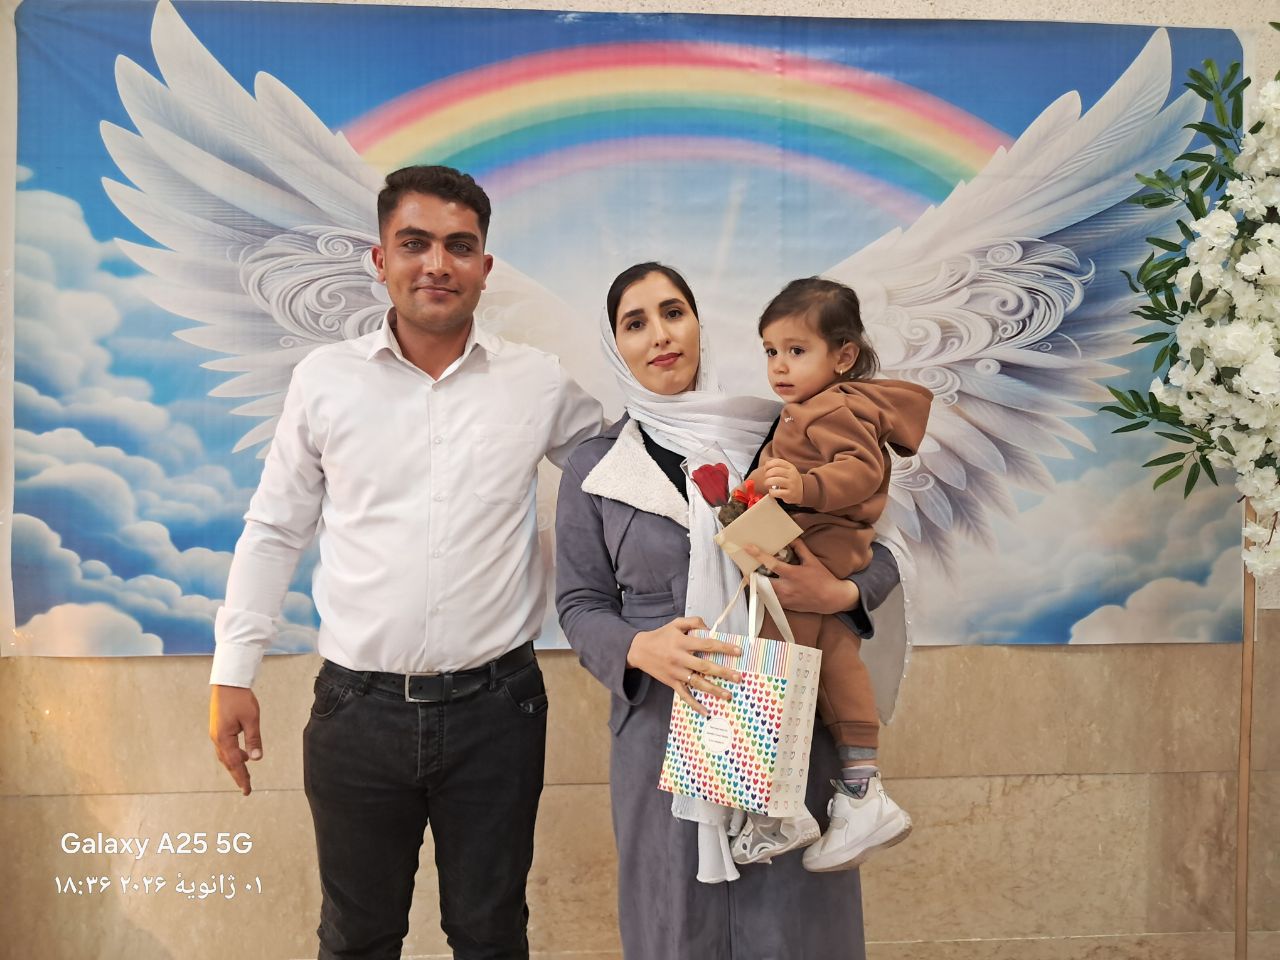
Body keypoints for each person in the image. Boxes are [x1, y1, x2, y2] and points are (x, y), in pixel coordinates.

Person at [208, 165, 604, 960]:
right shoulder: (325, 381)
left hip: (499, 711)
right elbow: (275, 529)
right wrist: (232, 671)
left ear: (484, 266)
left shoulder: (536, 382)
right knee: (357, 938)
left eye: (459, 246)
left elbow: (622, 477)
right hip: (358, 714)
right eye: (415, 243)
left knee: (491, 936)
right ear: (380, 258)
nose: (437, 264)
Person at [555, 262, 904, 959]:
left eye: (673, 312)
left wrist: (838, 595)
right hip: (663, 725)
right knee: (677, 922)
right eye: (636, 323)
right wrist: (640, 648)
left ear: (698, 324)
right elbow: (579, 603)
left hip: (786, 712)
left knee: (795, 928)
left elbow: (880, 551)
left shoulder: (782, 435)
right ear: (615, 346)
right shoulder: (595, 466)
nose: (661, 335)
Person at [743, 277, 931, 872]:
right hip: (825, 548)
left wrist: (803, 486)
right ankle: (860, 789)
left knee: (773, 662)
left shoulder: (835, 407)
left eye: (797, 350)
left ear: (843, 355)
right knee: (836, 657)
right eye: (771, 351)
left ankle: (777, 807)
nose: (779, 365)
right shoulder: (812, 408)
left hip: (820, 546)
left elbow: (861, 471)